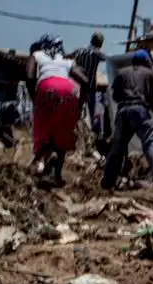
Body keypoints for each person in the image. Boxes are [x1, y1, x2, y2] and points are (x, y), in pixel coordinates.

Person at [26, 35, 86, 184]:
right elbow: (86, 81)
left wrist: (35, 96)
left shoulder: (37, 55)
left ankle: (47, 153)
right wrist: (79, 105)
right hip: (68, 91)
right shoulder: (66, 61)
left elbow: (29, 75)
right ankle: (57, 176)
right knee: (62, 133)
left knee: (42, 130)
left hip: (46, 89)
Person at [102, 49, 153, 189]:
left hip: (123, 111)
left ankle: (107, 180)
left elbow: (115, 96)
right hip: (140, 111)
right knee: (150, 142)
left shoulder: (121, 73)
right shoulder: (150, 74)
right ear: (146, 61)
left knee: (118, 146)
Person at [69, 32, 107, 141]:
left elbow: (69, 56)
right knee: (95, 115)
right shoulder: (97, 53)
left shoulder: (80, 50)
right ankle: (97, 138)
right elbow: (107, 59)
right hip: (90, 88)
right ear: (100, 43)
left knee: (76, 113)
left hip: (76, 88)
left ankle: (74, 136)